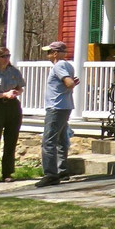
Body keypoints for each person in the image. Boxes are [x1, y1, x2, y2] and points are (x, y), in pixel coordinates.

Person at [38, 41, 79, 187]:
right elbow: (69, 84)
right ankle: (62, 170)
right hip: (64, 106)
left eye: (49, 52)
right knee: (61, 139)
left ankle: (50, 175)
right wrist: (70, 84)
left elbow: (68, 83)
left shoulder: (59, 66)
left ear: (55, 53)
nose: (48, 54)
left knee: (48, 142)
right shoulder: (68, 65)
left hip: (56, 108)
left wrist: (70, 84)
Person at [0, 47, 25, 184]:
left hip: (12, 106)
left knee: (11, 140)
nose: (7, 58)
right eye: (3, 56)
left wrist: (16, 92)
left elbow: (20, 87)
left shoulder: (13, 71)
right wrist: (3, 94)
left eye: (8, 56)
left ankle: (7, 173)